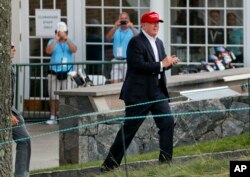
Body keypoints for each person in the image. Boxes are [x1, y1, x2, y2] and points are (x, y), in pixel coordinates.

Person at [101, 11, 179, 171]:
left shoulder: (159, 43)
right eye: (153, 22)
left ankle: (165, 164)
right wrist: (162, 64)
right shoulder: (135, 42)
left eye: (158, 22)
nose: (156, 25)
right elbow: (138, 65)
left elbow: (161, 63)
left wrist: (169, 62)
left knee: (167, 123)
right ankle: (108, 166)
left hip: (157, 93)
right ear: (143, 25)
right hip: (139, 94)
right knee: (128, 130)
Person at [46, 21, 77, 124]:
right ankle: (53, 116)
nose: (61, 34)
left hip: (67, 72)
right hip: (54, 72)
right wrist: (56, 39)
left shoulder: (70, 41)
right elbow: (48, 51)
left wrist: (66, 38)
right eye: (59, 32)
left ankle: (66, 117)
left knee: (67, 96)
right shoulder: (52, 41)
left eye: (63, 32)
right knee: (53, 96)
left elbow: (74, 50)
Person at [10, 43, 31, 177]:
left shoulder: (9, 66)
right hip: (7, 111)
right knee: (24, 139)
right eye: (11, 46)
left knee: (25, 139)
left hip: (11, 109)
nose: (15, 48)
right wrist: (8, 114)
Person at [106, 12, 138, 83]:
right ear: (118, 20)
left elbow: (139, 41)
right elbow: (108, 38)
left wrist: (132, 28)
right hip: (116, 60)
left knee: (127, 83)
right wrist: (114, 27)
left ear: (129, 20)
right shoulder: (116, 30)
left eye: (125, 18)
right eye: (121, 19)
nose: (124, 20)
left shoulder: (132, 30)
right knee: (114, 84)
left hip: (127, 61)